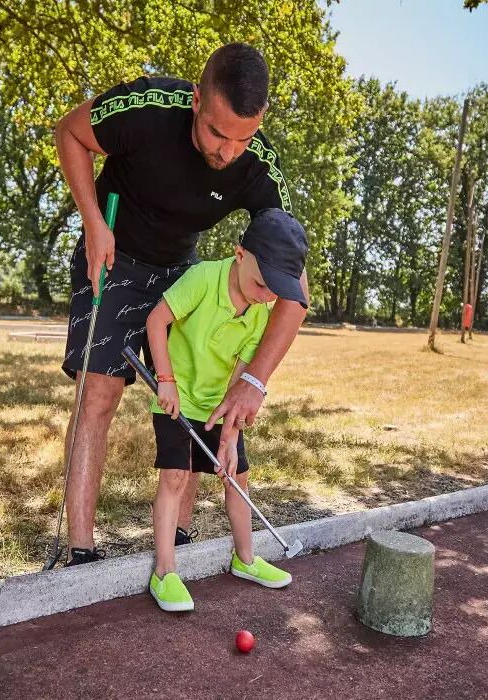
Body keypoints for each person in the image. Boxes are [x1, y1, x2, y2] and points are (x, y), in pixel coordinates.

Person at [53, 42, 308, 566]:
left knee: (196, 391)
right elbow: (70, 133)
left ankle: (181, 539)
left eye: (244, 138)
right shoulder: (147, 109)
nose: (227, 152)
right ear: (196, 100)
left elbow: (293, 289)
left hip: (180, 269)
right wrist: (92, 221)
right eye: (218, 133)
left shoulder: (257, 167)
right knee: (98, 392)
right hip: (113, 250)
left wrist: (255, 379)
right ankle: (79, 548)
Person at [145, 208, 307, 611]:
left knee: (237, 476)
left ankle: (246, 559)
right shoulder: (203, 279)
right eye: (260, 283)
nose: (265, 295)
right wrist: (165, 380)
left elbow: (239, 380)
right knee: (176, 477)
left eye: (275, 290)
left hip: (217, 407)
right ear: (239, 254)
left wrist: (231, 436)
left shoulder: (259, 313)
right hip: (176, 398)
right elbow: (155, 320)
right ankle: (165, 572)